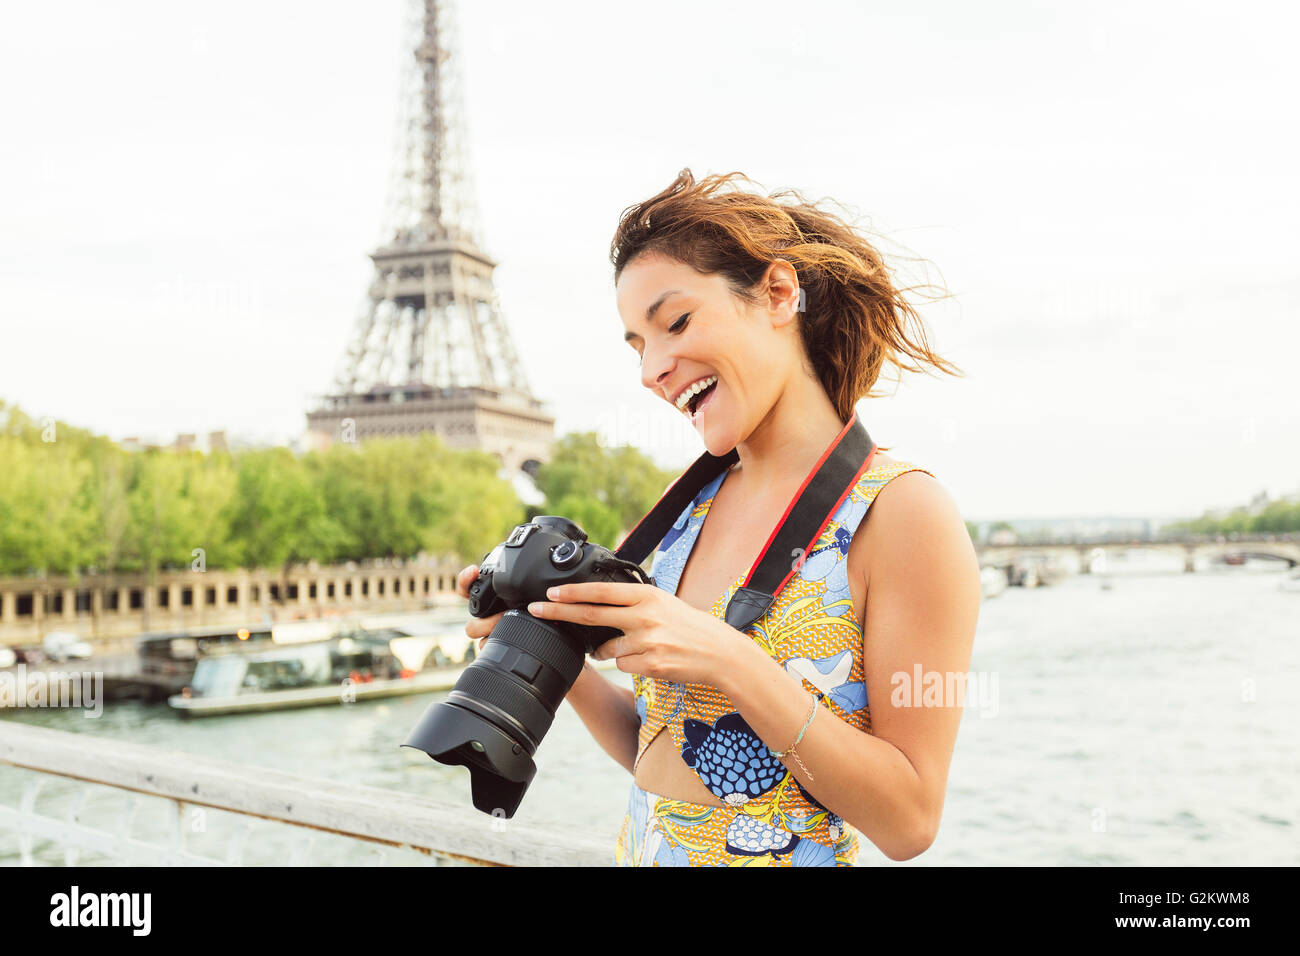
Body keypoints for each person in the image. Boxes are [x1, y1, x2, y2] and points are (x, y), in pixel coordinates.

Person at [455, 169, 980, 866]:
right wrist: (550, 646)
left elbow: (910, 821)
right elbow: (664, 755)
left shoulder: (902, 512)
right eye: (638, 345)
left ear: (778, 293)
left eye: (674, 323)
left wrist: (729, 658)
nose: (651, 372)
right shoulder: (686, 509)